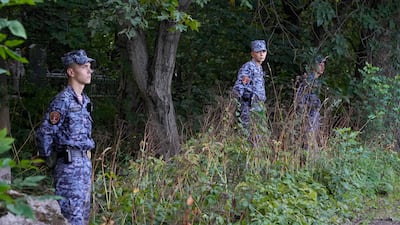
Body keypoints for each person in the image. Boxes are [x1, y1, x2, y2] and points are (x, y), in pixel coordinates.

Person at [35, 49, 95, 225]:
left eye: (89, 67)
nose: (89, 71)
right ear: (71, 72)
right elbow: (46, 132)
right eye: (84, 67)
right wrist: (49, 159)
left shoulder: (86, 101)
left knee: (83, 216)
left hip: (84, 165)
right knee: (70, 217)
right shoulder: (63, 100)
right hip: (68, 168)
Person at [232, 40, 267, 129]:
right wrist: (239, 104)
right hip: (249, 105)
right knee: (246, 130)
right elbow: (240, 86)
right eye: (258, 52)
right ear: (252, 54)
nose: (261, 54)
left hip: (259, 105)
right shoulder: (248, 67)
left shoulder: (259, 68)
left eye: (263, 51)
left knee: (258, 131)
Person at [295, 55, 327, 150]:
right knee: (308, 141)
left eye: (323, 64)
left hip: (313, 116)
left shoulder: (316, 81)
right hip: (308, 116)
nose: (322, 66)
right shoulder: (308, 80)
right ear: (313, 65)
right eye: (319, 64)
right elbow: (300, 100)